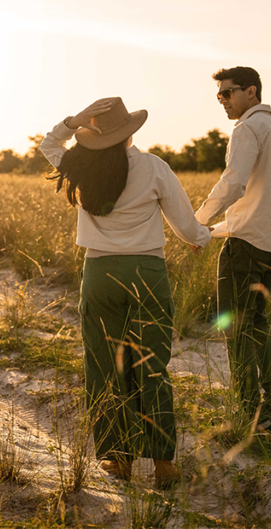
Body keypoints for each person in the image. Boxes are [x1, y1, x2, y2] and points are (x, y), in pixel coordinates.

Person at [41, 97, 211, 488]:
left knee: (105, 366)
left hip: (100, 273)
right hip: (147, 272)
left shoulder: (81, 165)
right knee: (151, 365)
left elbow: (49, 146)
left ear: (93, 134)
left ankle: (118, 459)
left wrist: (72, 121)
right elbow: (184, 222)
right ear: (130, 132)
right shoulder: (153, 167)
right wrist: (199, 237)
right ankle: (164, 462)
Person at [194, 66, 271, 433]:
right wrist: (214, 230)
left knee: (237, 329)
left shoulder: (248, 129)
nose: (222, 100)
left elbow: (234, 184)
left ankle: (249, 414)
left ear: (251, 92)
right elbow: (264, 200)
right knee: (257, 325)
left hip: (248, 248)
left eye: (228, 93)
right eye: (219, 94)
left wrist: (196, 222)